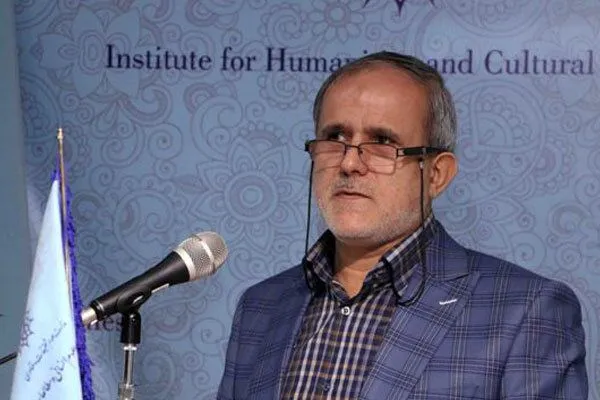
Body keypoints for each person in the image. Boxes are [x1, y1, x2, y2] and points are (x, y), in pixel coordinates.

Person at [217, 51, 588, 399]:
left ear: (437, 174)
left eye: (382, 142)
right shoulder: (261, 305)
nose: (349, 163)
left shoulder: (526, 310)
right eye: (335, 138)